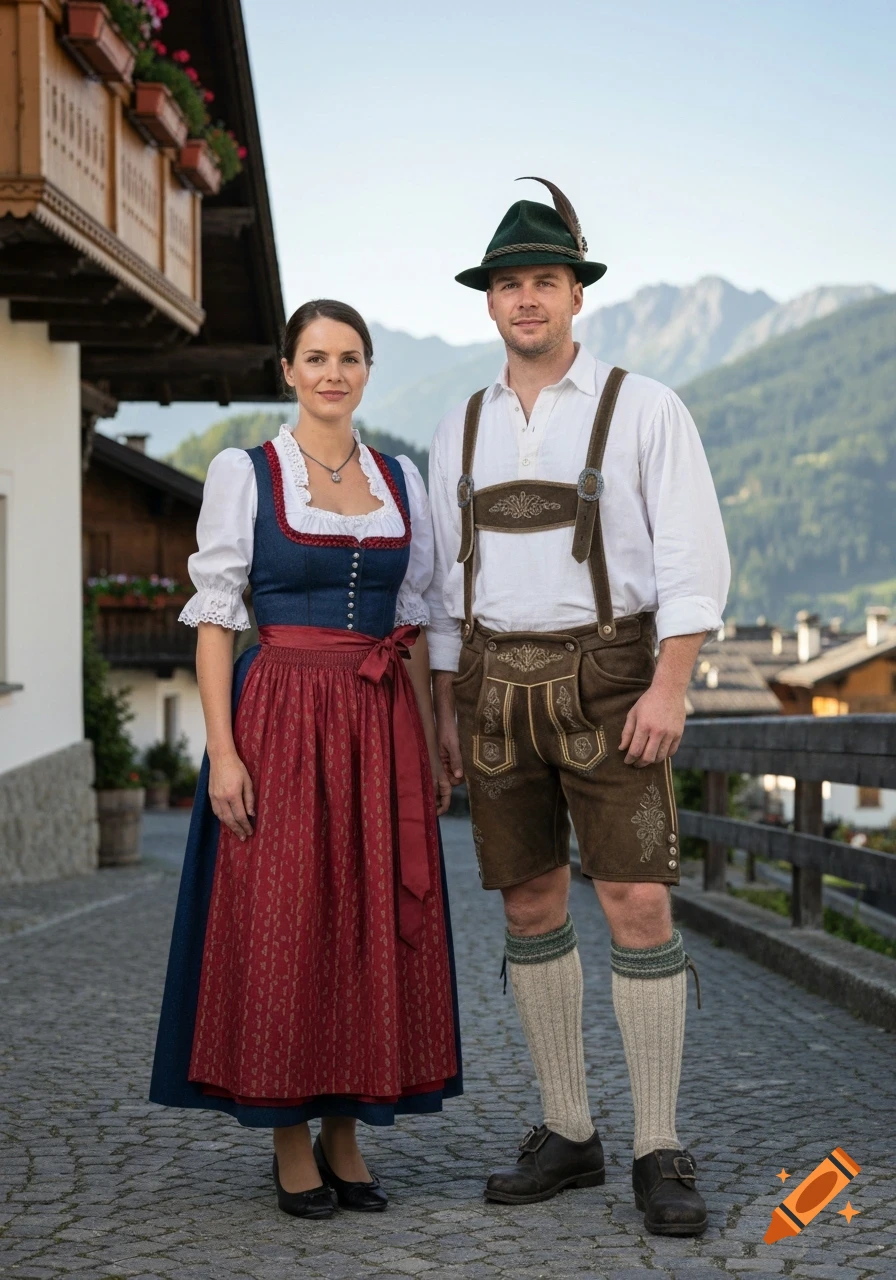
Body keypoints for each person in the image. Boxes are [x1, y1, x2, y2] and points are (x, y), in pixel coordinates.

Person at [426, 179, 729, 1236]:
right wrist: (444, 706)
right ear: (489, 300)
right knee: (527, 903)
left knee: (637, 900)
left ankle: (657, 1143)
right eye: (509, 283)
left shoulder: (643, 407)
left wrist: (670, 683)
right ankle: (568, 1129)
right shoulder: (459, 425)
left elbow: (693, 561)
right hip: (489, 684)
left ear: (575, 294)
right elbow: (441, 582)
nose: (526, 299)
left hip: (610, 680)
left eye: (544, 281)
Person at [150, 299, 462, 1220]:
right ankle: (289, 1134)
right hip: (280, 715)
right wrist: (223, 752)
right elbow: (216, 621)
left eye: (350, 357)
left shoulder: (401, 478)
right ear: (288, 369)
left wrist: (431, 734)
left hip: (378, 721)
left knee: (367, 919)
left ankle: (346, 1131)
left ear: (367, 371)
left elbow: (417, 620)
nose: (334, 373)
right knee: (285, 919)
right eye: (317, 357)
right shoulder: (246, 473)